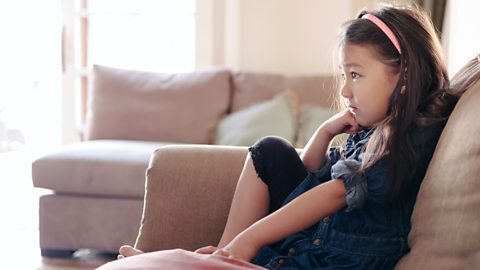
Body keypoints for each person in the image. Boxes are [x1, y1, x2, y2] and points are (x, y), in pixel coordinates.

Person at [116, 4, 480, 269]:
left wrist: (252, 238)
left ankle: (219, 258)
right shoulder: (374, 128)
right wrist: (323, 134)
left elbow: (336, 192)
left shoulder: (412, 131)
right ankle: (222, 255)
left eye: (355, 75)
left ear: (403, 75)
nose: (346, 91)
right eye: (344, 76)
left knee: (250, 244)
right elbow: (304, 188)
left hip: (340, 255)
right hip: (317, 234)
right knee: (270, 151)